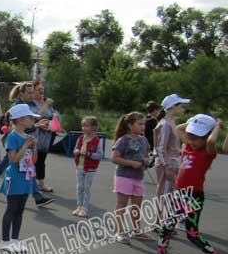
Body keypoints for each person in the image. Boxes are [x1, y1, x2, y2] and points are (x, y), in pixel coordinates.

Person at [144, 115, 227, 254]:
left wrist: (217, 125)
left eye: (197, 138)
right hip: (180, 194)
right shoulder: (188, 146)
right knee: (167, 226)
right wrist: (193, 122)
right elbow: (179, 129)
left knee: (192, 233)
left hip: (193, 196)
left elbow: (211, 142)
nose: (192, 141)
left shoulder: (207, 152)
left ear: (206, 137)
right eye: (191, 137)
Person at [0, 82, 53, 207]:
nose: (32, 95)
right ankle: (37, 197)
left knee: (15, 165)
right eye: (29, 93)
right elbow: (21, 127)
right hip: (17, 142)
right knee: (27, 167)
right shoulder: (19, 107)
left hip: (21, 141)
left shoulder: (28, 105)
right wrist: (37, 125)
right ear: (21, 93)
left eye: (32, 92)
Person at [0, 103, 40, 253]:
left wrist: (34, 148)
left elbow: (33, 160)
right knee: (11, 208)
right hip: (14, 177)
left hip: (26, 177)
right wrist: (25, 146)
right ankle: (4, 240)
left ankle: (15, 240)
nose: (33, 120)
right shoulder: (13, 137)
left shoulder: (28, 137)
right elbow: (13, 159)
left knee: (20, 210)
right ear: (21, 119)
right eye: (30, 117)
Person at [111, 112, 151, 244]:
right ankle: (119, 231)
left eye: (144, 124)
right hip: (124, 177)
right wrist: (131, 163)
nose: (143, 126)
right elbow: (115, 158)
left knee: (137, 206)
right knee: (122, 205)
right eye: (140, 124)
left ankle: (136, 230)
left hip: (138, 177)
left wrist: (146, 161)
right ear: (129, 125)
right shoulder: (123, 140)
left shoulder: (144, 140)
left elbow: (146, 156)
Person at [154, 94, 189, 227]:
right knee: (164, 192)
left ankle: (164, 220)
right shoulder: (165, 124)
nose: (182, 109)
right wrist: (167, 166)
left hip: (172, 162)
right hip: (166, 163)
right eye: (181, 106)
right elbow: (160, 148)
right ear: (173, 107)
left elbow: (170, 146)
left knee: (169, 193)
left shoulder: (171, 122)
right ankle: (159, 222)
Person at [72, 116, 102, 218]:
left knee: (86, 187)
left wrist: (89, 154)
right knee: (79, 187)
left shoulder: (97, 140)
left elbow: (100, 155)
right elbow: (75, 148)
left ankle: (85, 208)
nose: (83, 128)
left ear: (93, 127)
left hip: (90, 168)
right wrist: (76, 152)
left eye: (86, 126)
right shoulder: (80, 138)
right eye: (83, 125)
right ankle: (79, 206)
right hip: (80, 166)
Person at [32, 82, 56, 193]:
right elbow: (34, 117)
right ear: (33, 91)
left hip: (46, 136)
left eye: (42, 89)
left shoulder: (47, 102)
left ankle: (41, 184)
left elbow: (54, 116)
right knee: (31, 161)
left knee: (41, 161)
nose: (42, 91)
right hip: (34, 136)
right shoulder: (32, 103)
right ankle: (28, 184)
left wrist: (52, 124)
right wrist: (46, 104)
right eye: (38, 89)